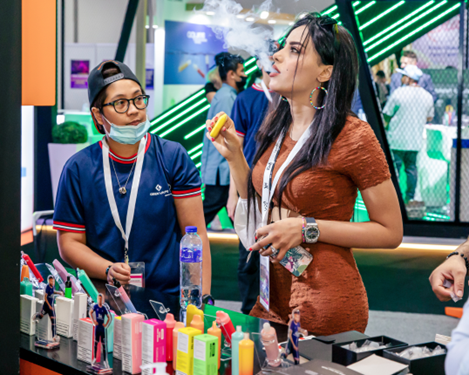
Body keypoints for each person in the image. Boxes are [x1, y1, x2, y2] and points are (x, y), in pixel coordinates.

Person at [206, 13, 402, 335]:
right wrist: (235, 159)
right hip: (271, 295)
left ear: (325, 71)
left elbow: (390, 231)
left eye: (295, 50)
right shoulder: (276, 126)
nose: (277, 55)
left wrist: (307, 228)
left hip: (324, 300)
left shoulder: (353, 136)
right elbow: (260, 211)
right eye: (282, 47)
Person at [53, 60, 212, 299]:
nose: (133, 110)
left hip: (165, 296)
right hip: (103, 297)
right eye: (120, 103)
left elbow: (196, 234)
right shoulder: (78, 168)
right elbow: (69, 243)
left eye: (138, 99)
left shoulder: (171, 156)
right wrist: (107, 269)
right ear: (97, 114)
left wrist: (202, 300)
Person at [231, 62, 274, 315]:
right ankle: (249, 312)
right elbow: (234, 149)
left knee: (280, 256)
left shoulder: (288, 97)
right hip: (249, 188)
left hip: (279, 189)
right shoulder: (245, 99)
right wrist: (233, 195)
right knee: (248, 255)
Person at [201, 53, 247, 228]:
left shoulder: (226, 95)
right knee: (208, 209)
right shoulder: (227, 98)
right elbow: (226, 136)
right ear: (231, 75)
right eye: (242, 71)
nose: (245, 74)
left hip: (220, 169)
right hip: (221, 171)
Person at [383, 65, 434, 209]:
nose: (401, 78)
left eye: (403, 75)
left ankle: (393, 199)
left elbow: (387, 114)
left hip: (396, 139)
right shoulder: (427, 96)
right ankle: (409, 197)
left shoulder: (399, 93)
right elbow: (429, 117)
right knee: (412, 169)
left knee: (395, 170)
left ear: (409, 78)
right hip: (415, 140)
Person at [33, 276, 63, 341]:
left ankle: (54, 336)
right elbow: (45, 298)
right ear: (49, 281)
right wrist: (49, 305)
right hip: (46, 306)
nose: (53, 282)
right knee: (41, 316)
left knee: (53, 322)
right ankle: (37, 315)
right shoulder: (47, 287)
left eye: (53, 281)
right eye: (51, 281)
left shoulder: (53, 286)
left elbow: (53, 292)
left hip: (51, 307)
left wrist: (59, 293)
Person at [90, 294, 112, 367]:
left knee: (103, 345)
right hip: (97, 328)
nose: (99, 300)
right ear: (97, 299)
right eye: (98, 299)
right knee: (96, 343)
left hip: (102, 329)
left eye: (101, 299)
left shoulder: (104, 308)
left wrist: (105, 324)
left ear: (102, 300)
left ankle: (105, 361)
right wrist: (93, 321)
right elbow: (90, 312)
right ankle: (95, 358)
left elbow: (109, 317)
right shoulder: (95, 306)